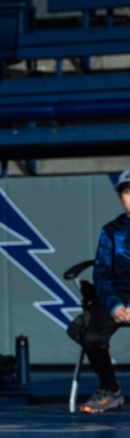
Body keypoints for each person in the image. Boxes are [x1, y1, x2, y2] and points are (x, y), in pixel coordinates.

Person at [71, 169, 130, 414]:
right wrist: (115, 305)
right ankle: (110, 389)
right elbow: (102, 273)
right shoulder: (111, 230)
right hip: (118, 297)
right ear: (120, 197)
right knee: (90, 336)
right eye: (127, 192)